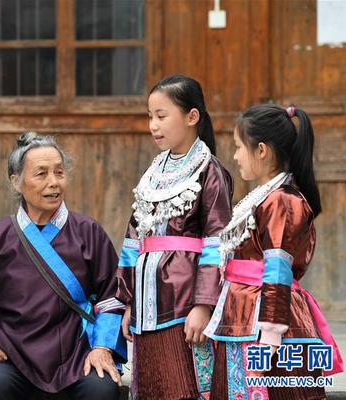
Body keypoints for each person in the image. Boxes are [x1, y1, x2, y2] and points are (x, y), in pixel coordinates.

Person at [204, 104, 344, 399]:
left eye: (239, 147)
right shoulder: (266, 197)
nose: (235, 155)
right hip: (243, 313)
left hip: (269, 324)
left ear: (262, 150)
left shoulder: (282, 201)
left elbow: (277, 268)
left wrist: (270, 333)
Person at [0, 132, 126, 400]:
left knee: (102, 389)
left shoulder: (89, 232)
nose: (53, 183)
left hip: (76, 354)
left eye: (59, 172)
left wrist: (102, 347)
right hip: (14, 355)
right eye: (41, 174)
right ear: (16, 181)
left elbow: (111, 298)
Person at [116, 75, 233, 399]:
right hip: (145, 306)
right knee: (151, 387)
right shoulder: (153, 174)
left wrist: (203, 304)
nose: (153, 125)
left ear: (192, 117)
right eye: (150, 116)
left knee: (184, 387)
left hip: (184, 306)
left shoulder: (210, 172)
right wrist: (127, 301)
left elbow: (218, 243)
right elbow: (132, 239)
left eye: (162, 115)